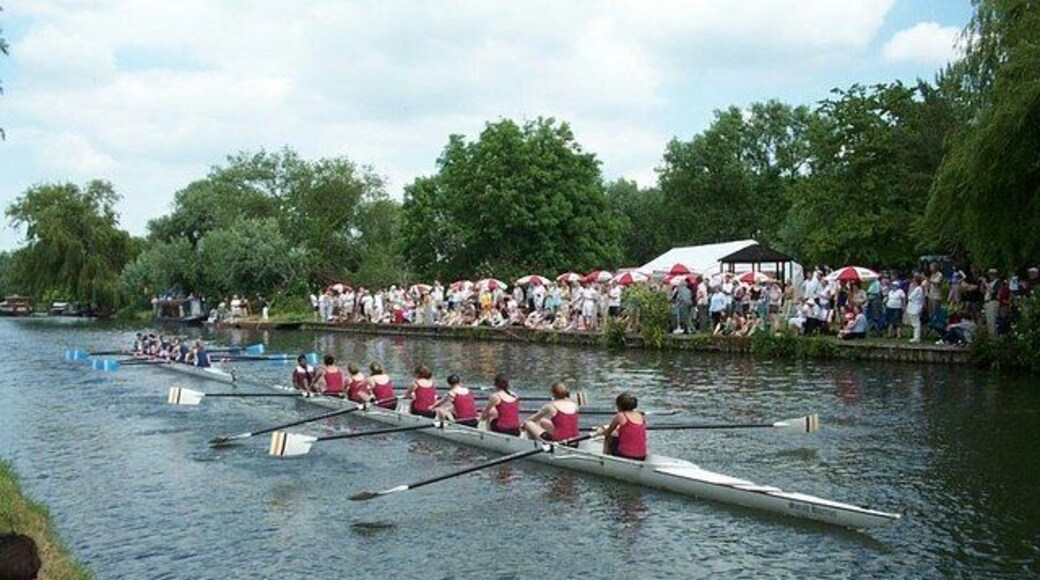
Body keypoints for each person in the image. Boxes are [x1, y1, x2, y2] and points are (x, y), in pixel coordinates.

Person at [600, 392, 646, 461]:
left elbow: (608, 432)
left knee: (609, 436)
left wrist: (602, 431)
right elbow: (631, 431)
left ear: (619, 406)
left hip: (625, 455)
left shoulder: (620, 415)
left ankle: (604, 459)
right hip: (642, 456)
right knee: (616, 434)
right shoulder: (640, 415)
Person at [906, 275, 927, 343]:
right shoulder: (920, 289)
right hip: (916, 306)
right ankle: (916, 337)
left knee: (916, 323)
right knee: (916, 323)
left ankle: (916, 338)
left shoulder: (918, 289)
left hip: (915, 307)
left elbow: (910, 297)